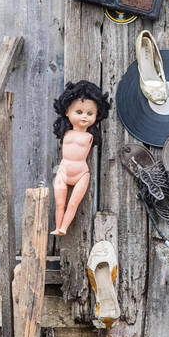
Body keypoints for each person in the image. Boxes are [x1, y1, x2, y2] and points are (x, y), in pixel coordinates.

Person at [51, 80, 110, 235]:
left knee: (73, 203)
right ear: (67, 112)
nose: (84, 117)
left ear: (97, 115)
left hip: (81, 174)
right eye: (79, 112)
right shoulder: (66, 132)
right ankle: (58, 226)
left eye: (90, 113)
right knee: (59, 203)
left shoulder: (90, 136)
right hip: (63, 171)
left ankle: (64, 227)